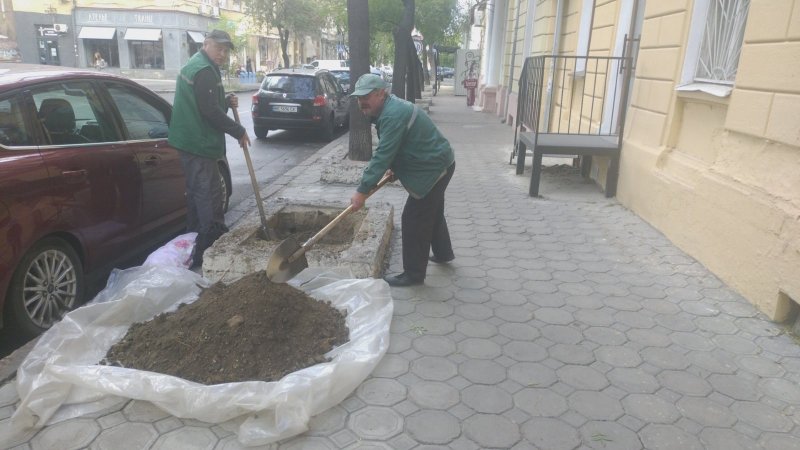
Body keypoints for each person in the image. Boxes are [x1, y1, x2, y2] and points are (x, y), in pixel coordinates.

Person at [349, 74, 456, 287]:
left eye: (366, 96)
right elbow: (402, 144)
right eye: (358, 97)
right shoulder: (389, 109)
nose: (361, 101)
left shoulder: (392, 115)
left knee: (414, 219)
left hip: (433, 169)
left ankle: (414, 274)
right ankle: (444, 253)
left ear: (381, 93)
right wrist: (395, 169)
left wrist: (362, 191)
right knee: (432, 212)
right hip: (440, 162)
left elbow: (382, 155)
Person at [168, 29, 250, 268]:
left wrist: (225, 101)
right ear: (206, 44)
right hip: (198, 143)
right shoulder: (204, 71)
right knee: (209, 197)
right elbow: (209, 112)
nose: (222, 54)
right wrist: (239, 131)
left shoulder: (199, 65)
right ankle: (211, 251)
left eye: (226, 50)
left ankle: (193, 245)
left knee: (197, 195)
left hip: (191, 141)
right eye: (219, 48)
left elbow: (205, 104)